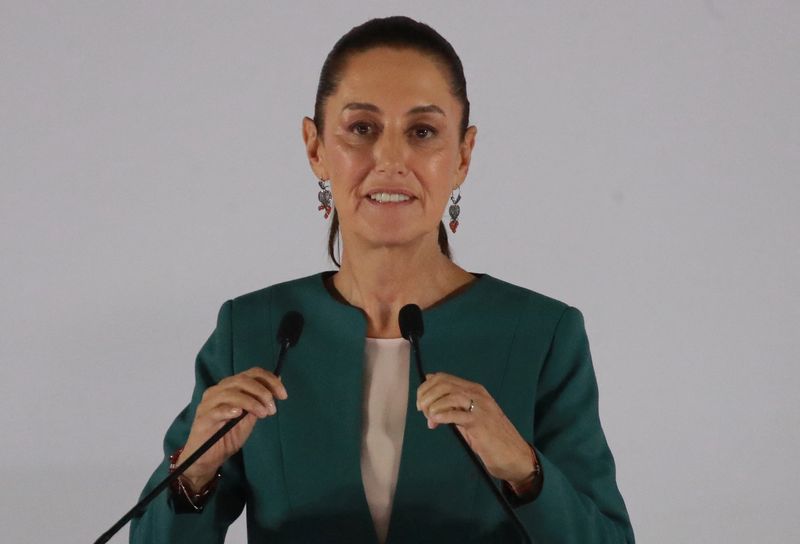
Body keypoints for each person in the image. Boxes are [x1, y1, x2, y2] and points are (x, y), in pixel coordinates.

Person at [129, 15, 634, 544]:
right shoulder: (252, 330)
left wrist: (526, 472)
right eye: (362, 129)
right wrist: (192, 473)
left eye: (422, 132)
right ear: (315, 147)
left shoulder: (542, 334)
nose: (391, 159)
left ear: (462, 155)